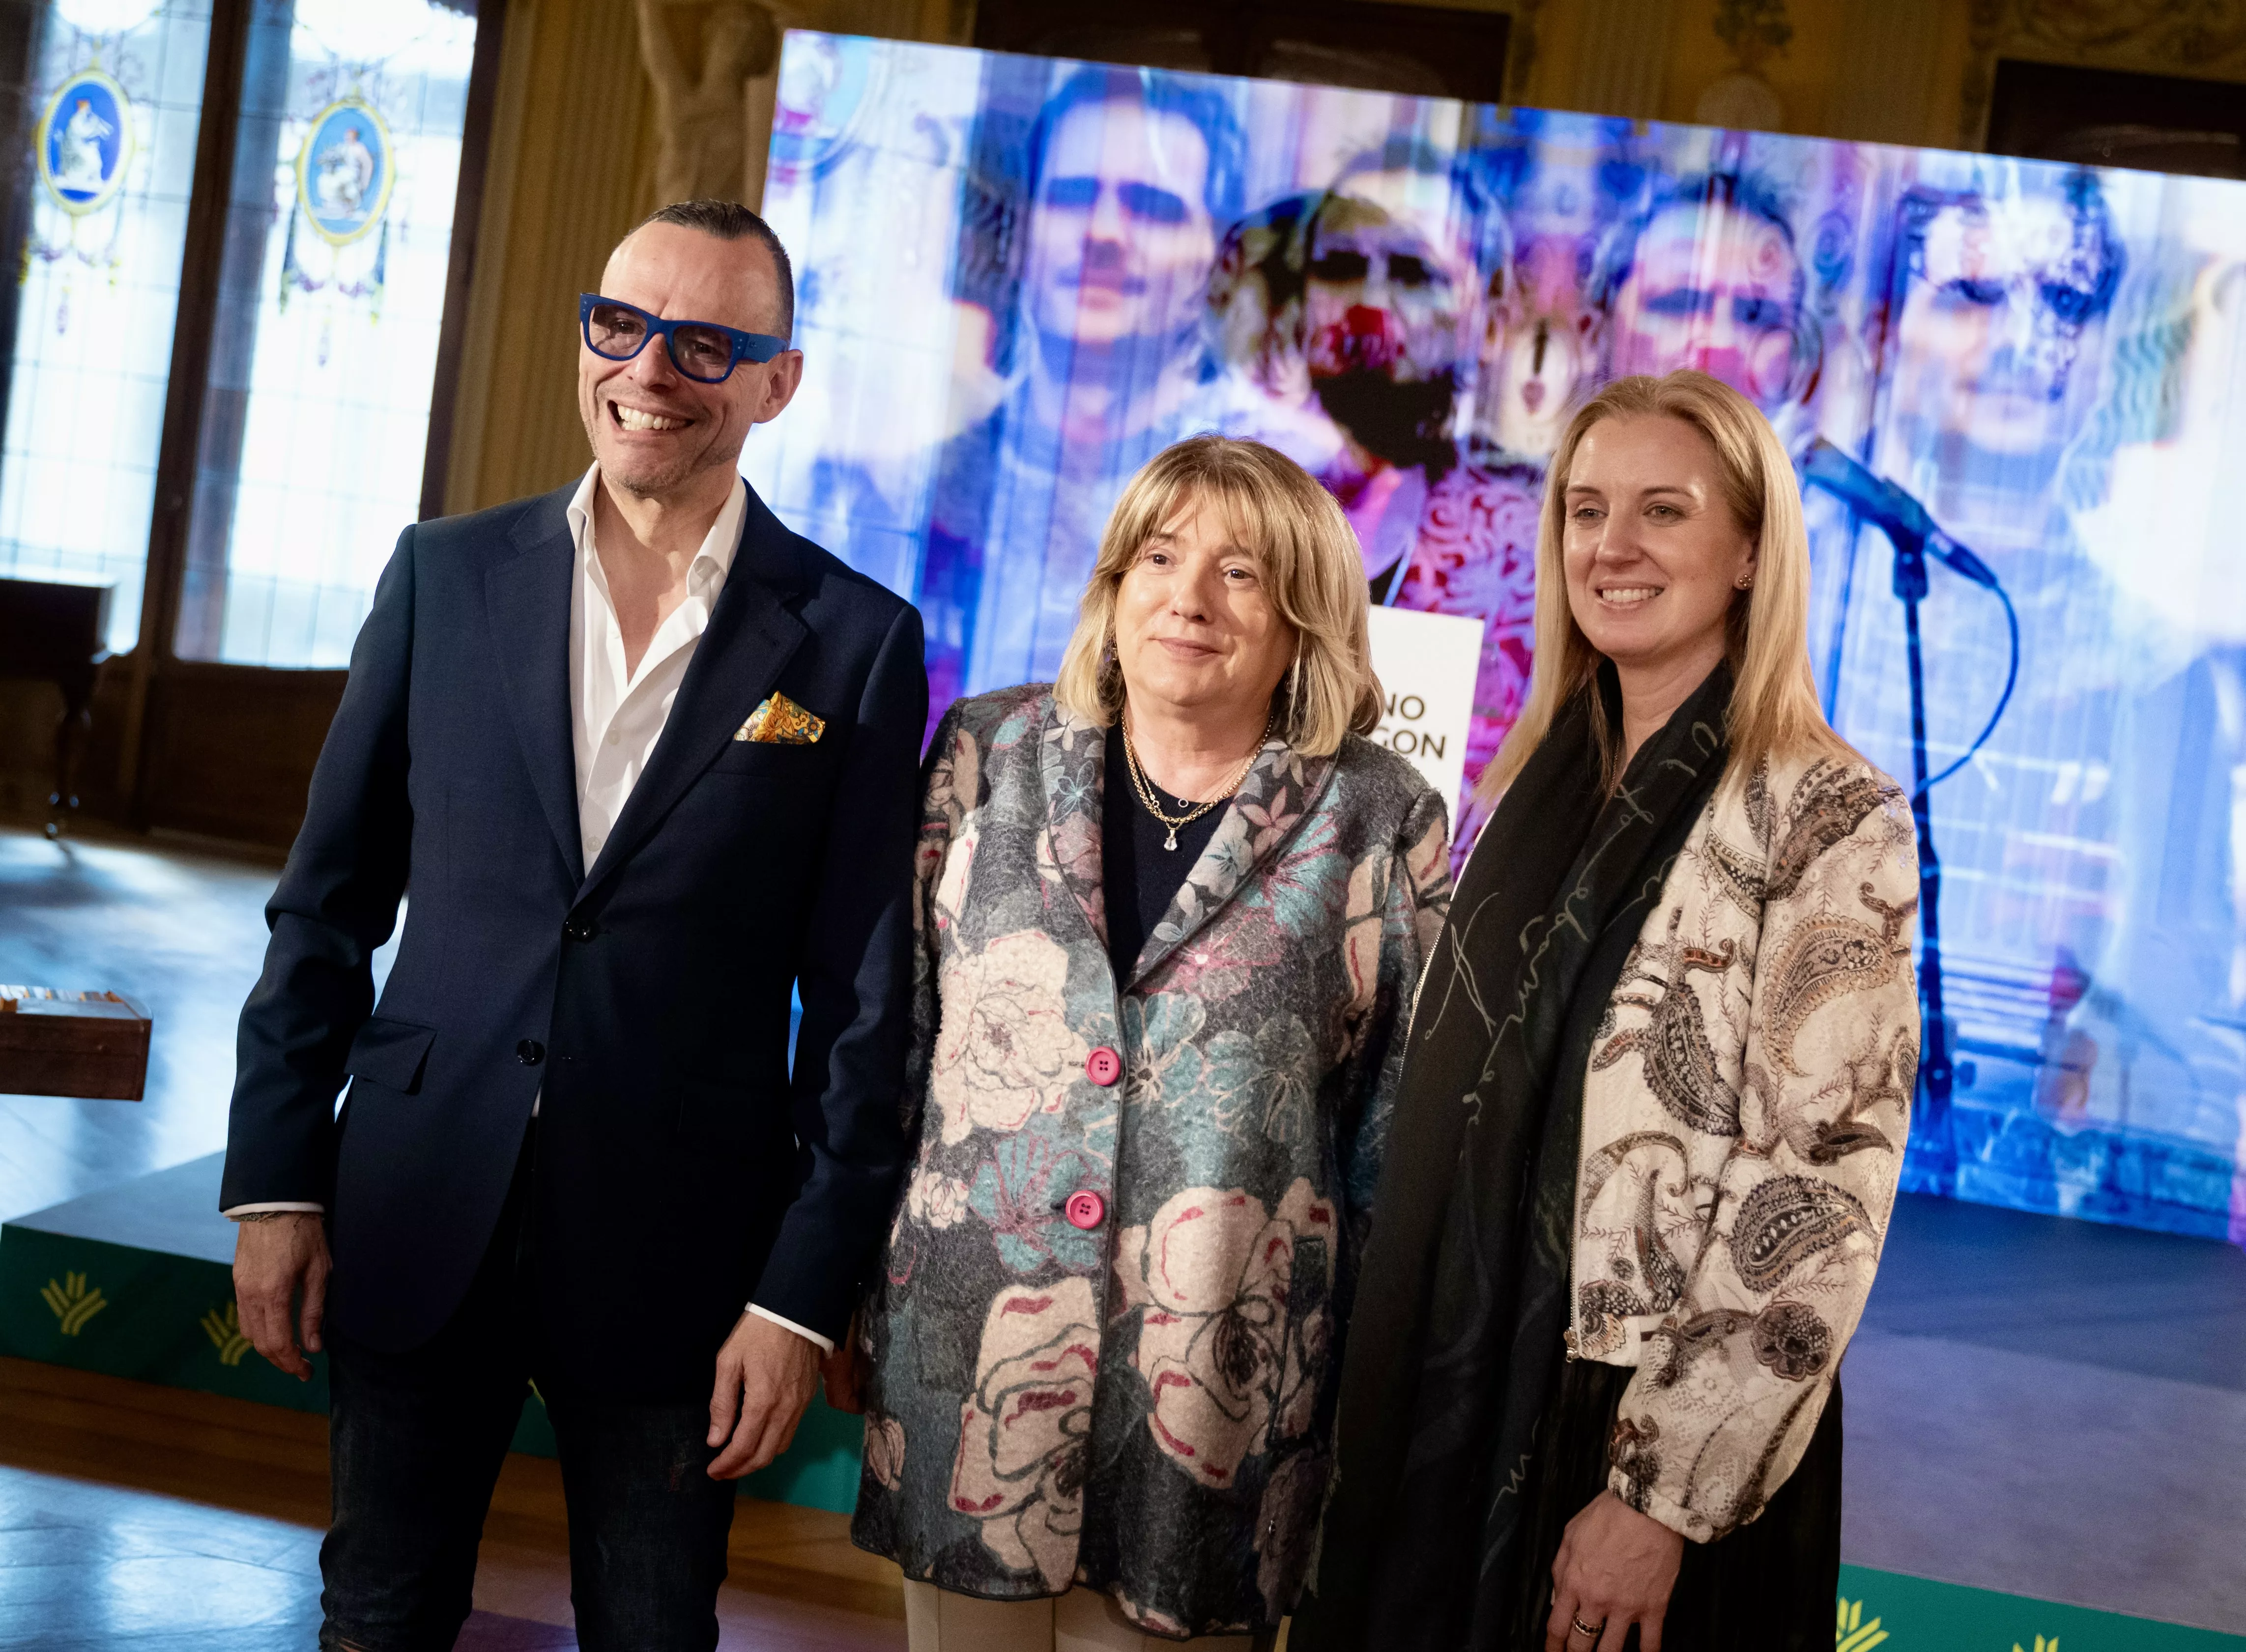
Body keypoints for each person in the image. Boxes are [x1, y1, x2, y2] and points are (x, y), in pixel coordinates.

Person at [220, 199, 926, 1651]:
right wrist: (278, 1178)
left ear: (776, 382)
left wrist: (800, 1297)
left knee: (654, 1627)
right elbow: (327, 902)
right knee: (375, 1614)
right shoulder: (442, 575)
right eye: (622, 325)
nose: (650, 370)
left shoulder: (855, 641)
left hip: (684, 1250)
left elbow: (863, 1009)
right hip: (416, 1203)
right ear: (586, 335)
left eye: (705, 343)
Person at [1296, 370, 1920, 1652]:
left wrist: (1659, 1494)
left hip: (1637, 1418)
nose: (1610, 547)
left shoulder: (1826, 815)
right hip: (1452, 1388)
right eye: (1584, 510)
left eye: (1662, 511)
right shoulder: (1536, 779)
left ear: (1751, 550)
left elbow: (1817, 1195)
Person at [844, 434, 1452, 1648]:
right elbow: (896, 1042)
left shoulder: (1378, 815)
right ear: (1113, 586)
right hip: (969, 1358)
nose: (1187, 596)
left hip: (1217, 1398)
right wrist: (854, 1282)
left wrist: (1370, 1394)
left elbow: (1396, 1132)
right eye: (1159, 557)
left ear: (1303, 619)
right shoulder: (984, 754)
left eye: (1240, 573)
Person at [923, 64, 1247, 713]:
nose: (1102, 233)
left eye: (1149, 208)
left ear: (1216, 260)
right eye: (1070, 198)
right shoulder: (927, 487)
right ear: (1020, 237)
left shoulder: (1259, 514)